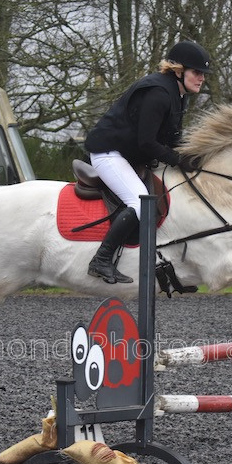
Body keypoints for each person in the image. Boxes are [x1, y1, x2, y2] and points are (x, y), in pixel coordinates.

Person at [83, 40, 211, 284]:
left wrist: (193, 155)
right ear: (179, 70)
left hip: (129, 155)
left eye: (203, 74)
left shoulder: (178, 94)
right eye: (197, 72)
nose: (201, 78)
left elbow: (172, 138)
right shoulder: (158, 94)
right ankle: (101, 259)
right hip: (108, 153)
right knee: (140, 202)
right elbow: (147, 143)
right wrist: (178, 160)